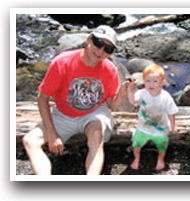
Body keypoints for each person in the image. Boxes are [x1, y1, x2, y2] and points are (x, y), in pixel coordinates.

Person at [22, 25, 130, 175]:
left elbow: (112, 106)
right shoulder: (62, 62)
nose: (100, 51)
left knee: (96, 134)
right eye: (98, 43)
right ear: (88, 40)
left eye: (108, 49)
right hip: (63, 114)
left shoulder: (110, 70)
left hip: (94, 113)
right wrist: (52, 134)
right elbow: (42, 98)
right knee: (30, 140)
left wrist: (122, 94)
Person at [127, 64, 178, 170]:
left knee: (162, 145)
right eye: (148, 81)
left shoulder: (165, 97)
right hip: (143, 125)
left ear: (162, 82)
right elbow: (133, 102)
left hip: (161, 126)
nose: (151, 84)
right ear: (144, 81)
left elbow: (171, 112)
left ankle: (160, 159)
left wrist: (173, 126)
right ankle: (136, 158)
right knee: (136, 144)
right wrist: (130, 91)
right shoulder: (142, 93)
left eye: (155, 81)